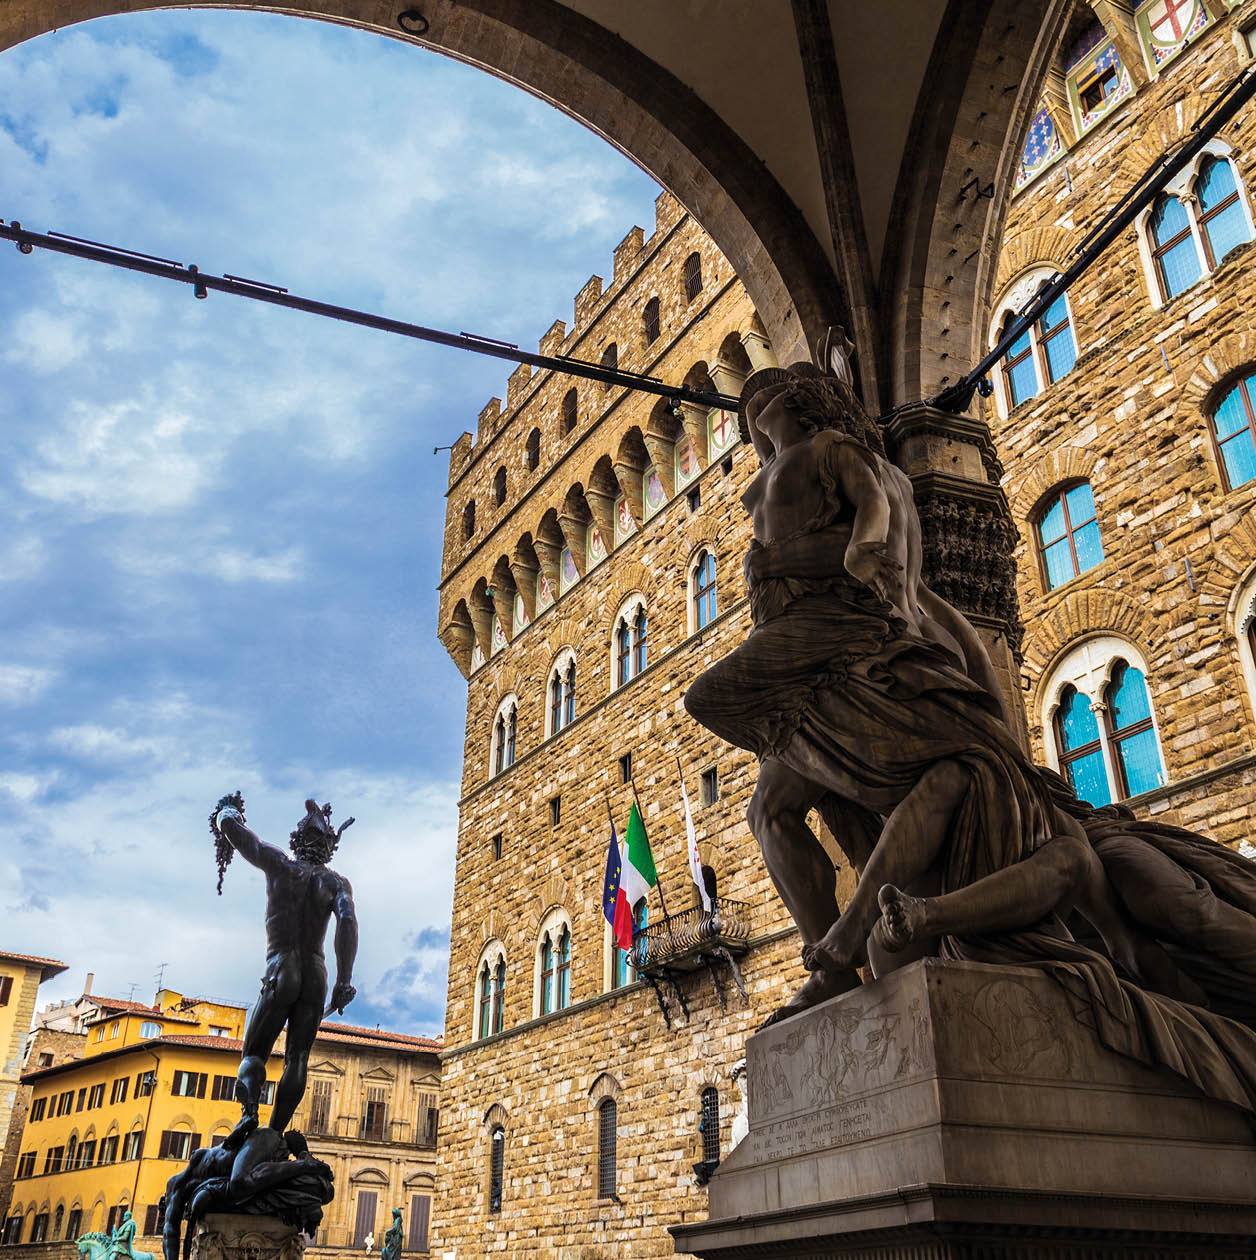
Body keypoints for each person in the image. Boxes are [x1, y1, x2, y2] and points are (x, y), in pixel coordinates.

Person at [211, 796, 357, 1131]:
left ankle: (249, 1116)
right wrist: (343, 981)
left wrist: (226, 812)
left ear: (297, 840)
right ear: (329, 849)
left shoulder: (279, 864)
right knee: (298, 1058)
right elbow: (348, 921)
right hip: (316, 974)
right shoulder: (336, 883)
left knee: (254, 1054)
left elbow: (237, 833)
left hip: (281, 967)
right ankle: (275, 1133)